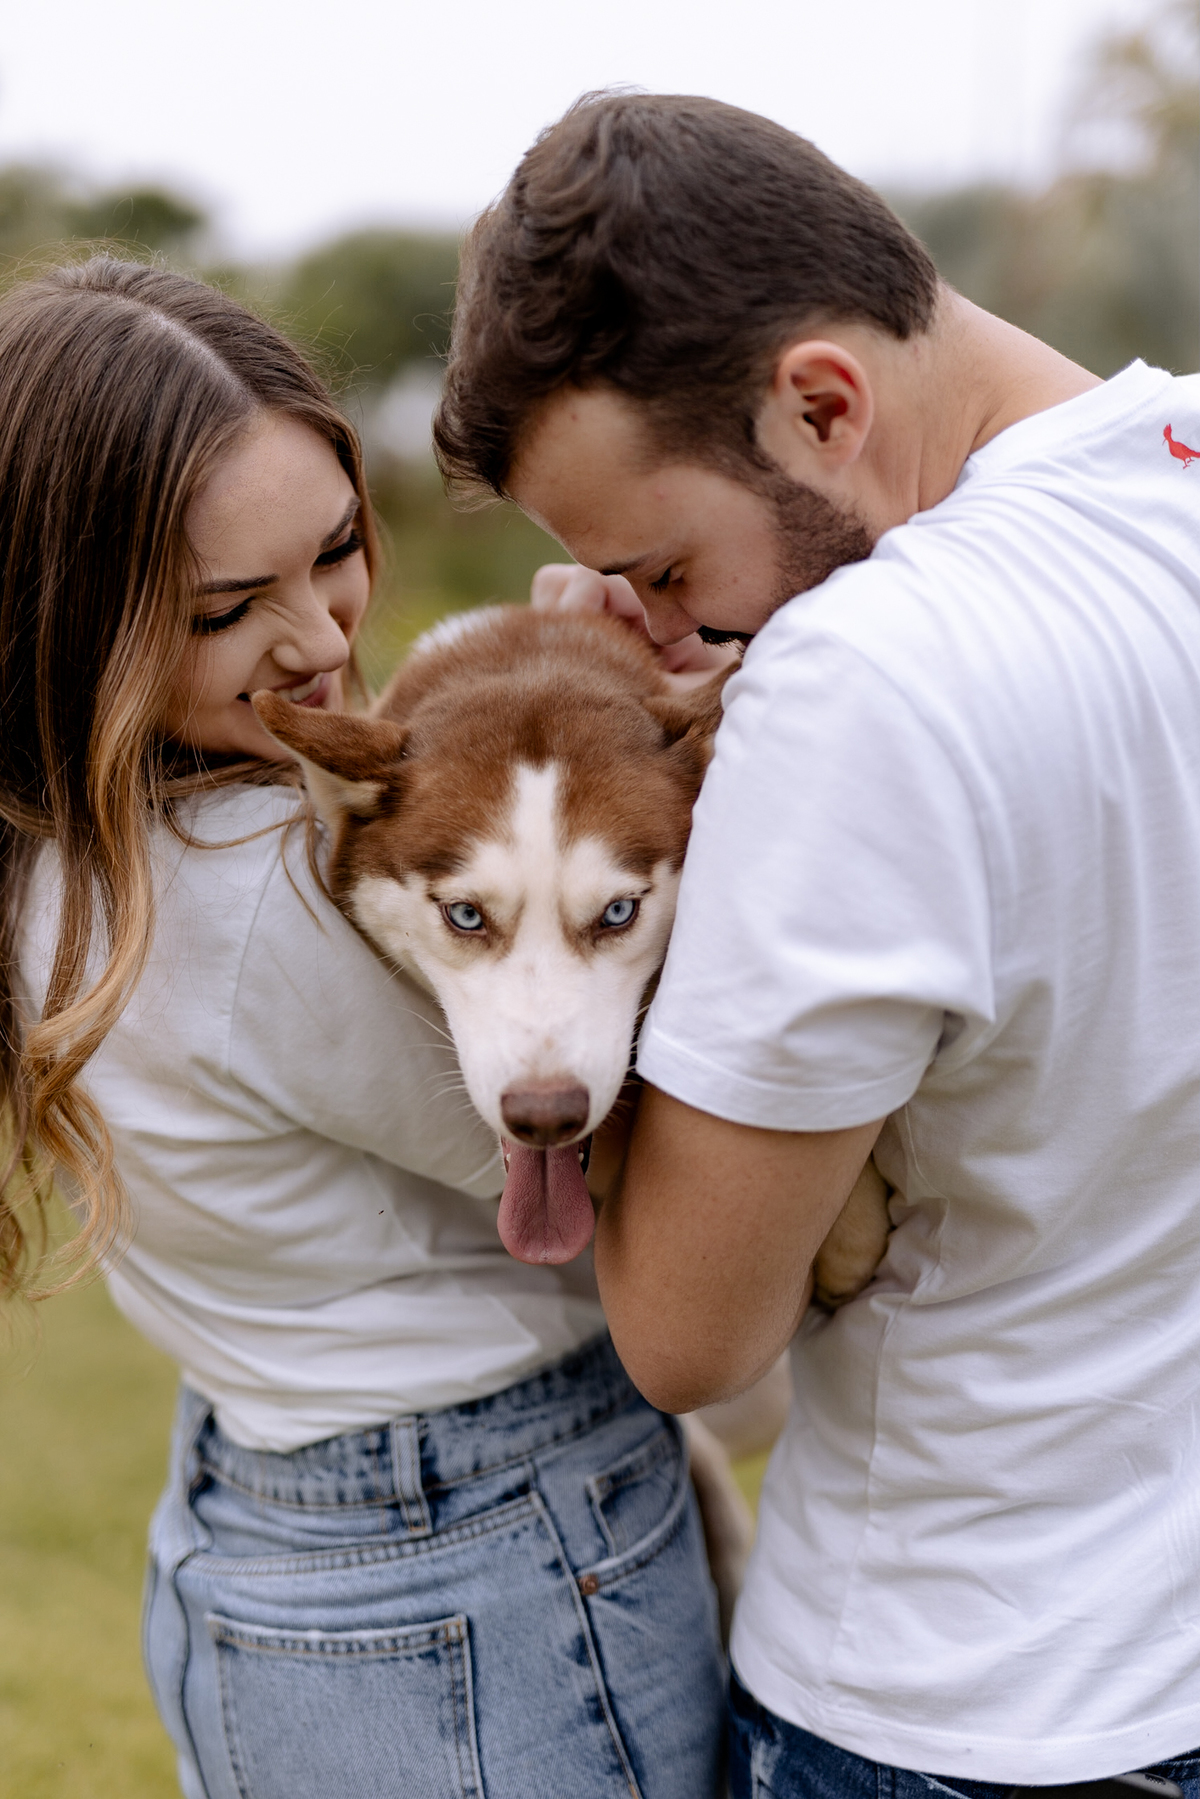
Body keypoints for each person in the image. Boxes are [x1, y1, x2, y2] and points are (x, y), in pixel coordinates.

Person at [433, 90, 1200, 1798]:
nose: (649, 625)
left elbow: (692, 1339)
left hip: (974, 1697)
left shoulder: (861, 675)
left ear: (823, 404)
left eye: (657, 563)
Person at [0, 256, 725, 1799]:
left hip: (257, 1522)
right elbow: (671, 1197)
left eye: (331, 550)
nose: (322, 643)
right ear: (67, 617)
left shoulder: (77, 852)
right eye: (223, 608)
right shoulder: (263, 892)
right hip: (474, 1549)